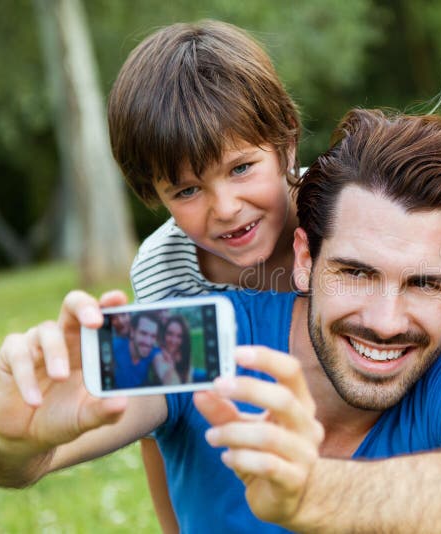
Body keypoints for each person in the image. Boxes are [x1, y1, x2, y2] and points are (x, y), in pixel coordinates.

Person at [0, 109, 441, 533]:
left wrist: (309, 492)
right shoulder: (198, 335)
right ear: (304, 259)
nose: (385, 321)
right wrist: (11, 438)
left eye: (424, 283)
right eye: (355, 272)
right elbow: (19, 464)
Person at [106, 20, 302, 531]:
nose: (226, 208)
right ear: (155, 194)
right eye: (187, 191)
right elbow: (158, 422)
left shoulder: (347, 221)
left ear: (287, 142)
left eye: (241, 168)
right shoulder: (163, 268)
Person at [112, 312, 162, 388]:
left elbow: (165, 369)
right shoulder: (115, 347)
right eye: (143, 333)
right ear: (132, 332)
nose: (148, 342)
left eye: (153, 336)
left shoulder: (153, 352)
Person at [151, 315, 193, 385]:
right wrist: (170, 367)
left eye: (179, 336)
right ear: (164, 334)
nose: (173, 341)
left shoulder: (183, 354)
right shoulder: (158, 355)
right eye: (170, 334)